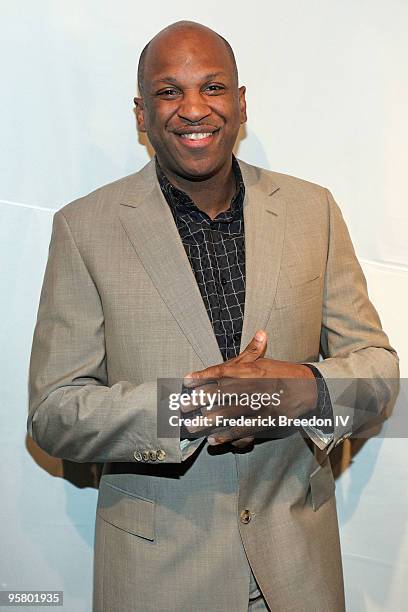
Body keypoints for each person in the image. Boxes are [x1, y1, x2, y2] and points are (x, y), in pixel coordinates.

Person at [27, 20, 399, 612]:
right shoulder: (85, 228)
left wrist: (296, 391)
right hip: (157, 580)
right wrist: (194, 407)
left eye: (213, 87)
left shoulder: (312, 210)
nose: (192, 108)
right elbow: (53, 413)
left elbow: (379, 373)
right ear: (142, 114)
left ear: (241, 103)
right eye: (169, 92)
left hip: (300, 574)